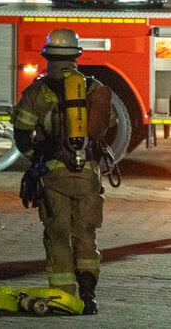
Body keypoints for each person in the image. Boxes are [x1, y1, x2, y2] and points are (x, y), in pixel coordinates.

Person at [12, 29, 117, 315]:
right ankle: (89, 296)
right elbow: (108, 126)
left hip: (53, 175)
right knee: (85, 234)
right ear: (76, 56)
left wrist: (38, 160)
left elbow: (21, 134)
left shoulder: (36, 91)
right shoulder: (94, 87)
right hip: (87, 174)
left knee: (57, 235)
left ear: (47, 57)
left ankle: (63, 297)